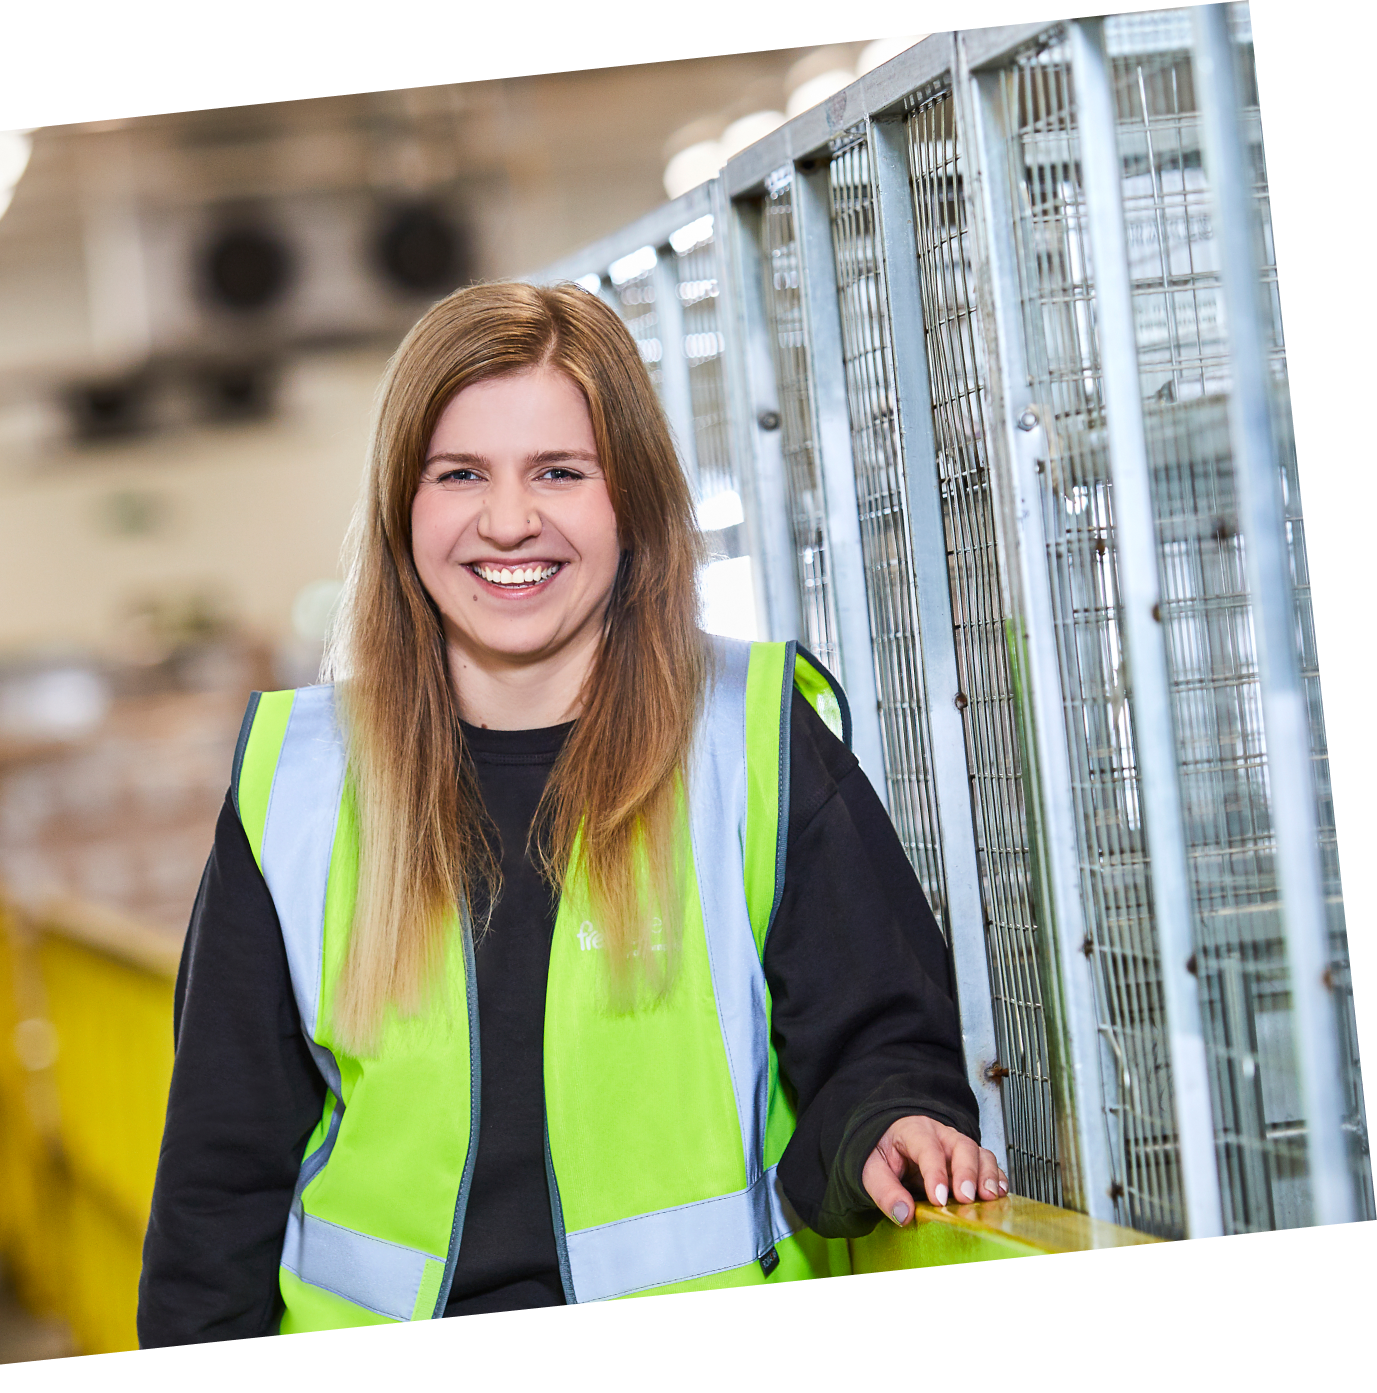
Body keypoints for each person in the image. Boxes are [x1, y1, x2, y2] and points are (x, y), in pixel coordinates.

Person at [137, 281, 1005, 1343]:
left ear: (630, 498)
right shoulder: (302, 778)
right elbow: (219, 1181)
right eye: (460, 473)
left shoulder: (753, 740)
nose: (509, 520)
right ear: (402, 505)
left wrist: (894, 1122)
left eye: (559, 471)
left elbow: (878, 1038)